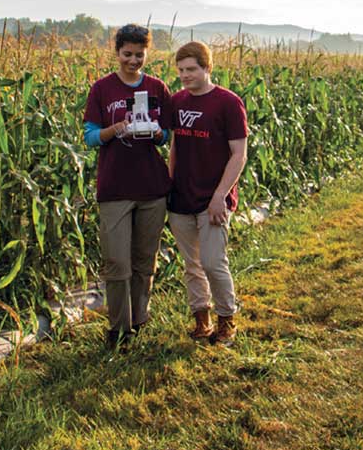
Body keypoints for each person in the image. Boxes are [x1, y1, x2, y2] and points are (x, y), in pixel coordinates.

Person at [83, 24, 171, 348]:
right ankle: (118, 329)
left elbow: (167, 134)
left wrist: (157, 133)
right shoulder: (102, 89)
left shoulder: (159, 88)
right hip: (115, 187)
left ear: (147, 53)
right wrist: (116, 129)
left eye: (139, 54)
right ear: (117, 52)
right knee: (117, 262)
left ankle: (138, 321)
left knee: (144, 261)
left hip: (151, 187)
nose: (133, 60)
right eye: (127, 54)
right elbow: (90, 138)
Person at [168, 41, 248, 346]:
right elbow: (176, 146)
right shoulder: (177, 102)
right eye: (180, 70)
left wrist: (220, 196)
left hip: (213, 199)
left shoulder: (227, 103)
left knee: (214, 262)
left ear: (207, 68)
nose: (185, 75)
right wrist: (170, 182)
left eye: (191, 69)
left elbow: (238, 154)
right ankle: (201, 320)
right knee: (192, 265)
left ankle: (227, 320)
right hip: (181, 198)